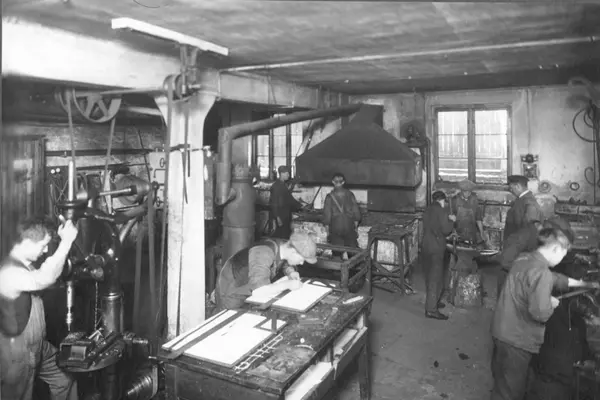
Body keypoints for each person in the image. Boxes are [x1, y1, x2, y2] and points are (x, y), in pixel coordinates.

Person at [490, 228, 597, 400]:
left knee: (502, 383)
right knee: (510, 393)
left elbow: (554, 278)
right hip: (517, 339)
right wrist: (550, 303)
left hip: (502, 331)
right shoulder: (542, 273)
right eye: (563, 254)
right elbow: (540, 313)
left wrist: (582, 284)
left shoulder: (525, 259)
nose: (562, 258)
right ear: (555, 249)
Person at [0, 215, 79, 400]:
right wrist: (66, 243)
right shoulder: (8, 272)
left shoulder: (27, 267)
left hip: (39, 346)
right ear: (27, 242)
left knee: (65, 378)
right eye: (43, 245)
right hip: (17, 354)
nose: (45, 251)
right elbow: (43, 278)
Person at [526, 263, 597, 400]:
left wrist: (588, 360)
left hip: (564, 383)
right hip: (548, 384)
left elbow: (582, 351)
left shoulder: (577, 322)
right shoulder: (549, 316)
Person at [216, 232, 318, 310]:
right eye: (302, 259)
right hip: (232, 294)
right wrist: (287, 284)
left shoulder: (281, 247)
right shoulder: (263, 253)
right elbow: (260, 291)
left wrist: (290, 271)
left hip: (248, 292)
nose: (301, 263)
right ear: (293, 251)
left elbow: (281, 261)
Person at [421, 191, 456, 320]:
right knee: (435, 278)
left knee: (429, 276)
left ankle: (433, 301)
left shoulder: (427, 209)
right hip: (436, 247)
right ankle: (431, 310)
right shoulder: (441, 211)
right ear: (442, 200)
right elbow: (446, 230)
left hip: (425, 246)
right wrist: (452, 221)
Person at [494, 220, 543, 297]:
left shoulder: (530, 235)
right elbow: (506, 261)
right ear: (537, 225)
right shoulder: (524, 235)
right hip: (510, 280)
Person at [322, 172, 361, 258]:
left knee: (337, 253)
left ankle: (338, 264)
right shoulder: (350, 194)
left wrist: (328, 233)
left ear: (333, 182)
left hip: (336, 228)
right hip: (349, 227)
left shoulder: (329, 197)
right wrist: (355, 228)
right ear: (343, 182)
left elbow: (327, 217)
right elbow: (357, 215)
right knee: (352, 254)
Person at [503, 175, 544, 241]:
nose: (511, 191)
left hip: (520, 242)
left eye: (511, 188)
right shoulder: (521, 199)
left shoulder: (528, 202)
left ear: (518, 186)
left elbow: (529, 229)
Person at [269, 165, 304, 239]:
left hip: (285, 215)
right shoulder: (276, 186)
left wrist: (301, 206)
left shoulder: (282, 185)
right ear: (281, 173)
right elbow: (274, 203)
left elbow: (289, 198)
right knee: (281, 237)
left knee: (285, 236)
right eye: (287, 173)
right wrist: (277, 218)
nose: (288, 175)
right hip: (281, 217)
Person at [450, 179, 488, 244]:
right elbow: (451, 219)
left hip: (472, 231)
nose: (468, 194)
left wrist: (482, 232)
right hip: (458, 232)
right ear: (461, 191)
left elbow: (478, 217)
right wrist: (453, 231)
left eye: (469, 192)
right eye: (465, 192)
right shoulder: (455, 200)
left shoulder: (474, 199)